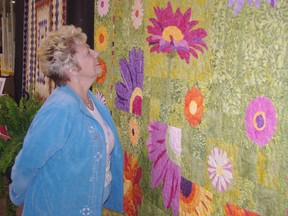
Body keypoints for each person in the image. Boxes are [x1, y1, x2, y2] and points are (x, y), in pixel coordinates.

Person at [9, 25, 123, 215]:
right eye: (87, 52)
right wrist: (18, 198)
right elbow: (28, 161)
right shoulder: (60, 109)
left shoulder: (93, 102)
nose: (95, 53)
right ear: (71, 68)